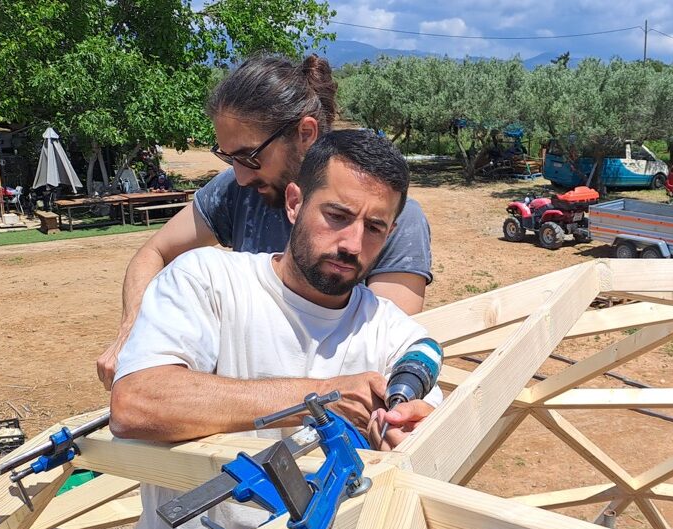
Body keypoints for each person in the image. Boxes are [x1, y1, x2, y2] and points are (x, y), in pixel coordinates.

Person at [108, 129, 441, 529]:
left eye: (374, 228)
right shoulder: (210, 280)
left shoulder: (396, 335)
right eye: (337, 215)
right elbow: (136, 403)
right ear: (293, 203)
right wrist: (321, 398)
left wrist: (409, 436)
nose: (351, 243)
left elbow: (423, 454)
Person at [96, 53, 433, 387]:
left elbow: (379, 359)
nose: (240, 175)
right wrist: (134, 330)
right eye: (229, 157)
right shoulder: (237, 189)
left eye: (249, 156)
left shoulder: (388, 222)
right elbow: (154, 253)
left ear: (305, 132)